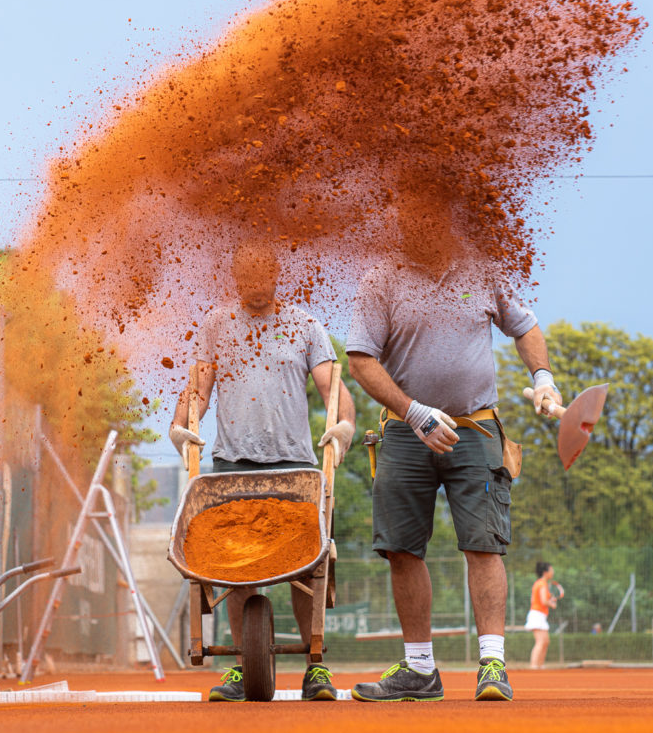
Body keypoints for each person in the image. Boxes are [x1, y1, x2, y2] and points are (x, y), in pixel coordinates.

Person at [346, 185, 562, 702]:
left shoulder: (483, 267)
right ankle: (420, 670)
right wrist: (413, 412)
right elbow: (360, 359)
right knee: (400, 548)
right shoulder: (381, 278)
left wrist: (546, 377)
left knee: (484, 544)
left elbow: (525, 326)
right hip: (404, 431)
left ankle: (492, 666)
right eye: (411, 218)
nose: (421, 227)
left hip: (477, 429)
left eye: (431, 217)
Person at [168, 242, 356, 702]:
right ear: (235, 278)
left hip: (295, 466)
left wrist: (344, 426)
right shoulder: (217, 324)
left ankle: (315, 665)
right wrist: (180, 426)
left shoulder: (304, 326)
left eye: (263, 275)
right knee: (235, 565)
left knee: (309, 565)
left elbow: (334, 387)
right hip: (233, 464)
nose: (255, 284)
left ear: (276, 276)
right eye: (245, 276)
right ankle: (238, 666)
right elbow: (199, 386)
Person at [527, 561, 561, 668]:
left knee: (545, 641)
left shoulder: (541, 583)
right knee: (541, 641)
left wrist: (550, 600)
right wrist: (552, 604)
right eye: (551, 570)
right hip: (537, 615)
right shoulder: (542, 583)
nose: (553, 572)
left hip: (539, 615)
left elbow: (538, 599)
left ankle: (540, 666)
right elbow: (543, 601)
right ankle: (533, 666)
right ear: (546, 572)